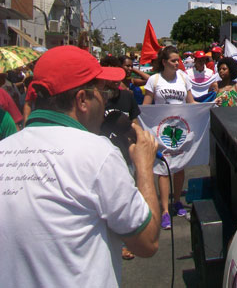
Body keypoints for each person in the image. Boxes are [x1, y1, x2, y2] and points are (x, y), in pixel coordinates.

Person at [0, 46, 160, 286]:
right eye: (102, 91)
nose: (105, 98)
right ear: (82, 100)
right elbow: (147, 242)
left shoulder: (4, 150)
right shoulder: (98, 153)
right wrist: (145, 168)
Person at [143, 46, 196, 228]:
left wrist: (211, 103)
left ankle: (177, 202)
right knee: (163, 169)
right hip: (161, 131)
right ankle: (165, 210)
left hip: (181, 129)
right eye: (173, 60)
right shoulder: (154, 80)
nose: (177, 63)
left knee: (179, 167)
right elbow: (146, 107)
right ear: (164, 62)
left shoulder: (183, 78)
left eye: (178, 60)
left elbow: (192, 103)